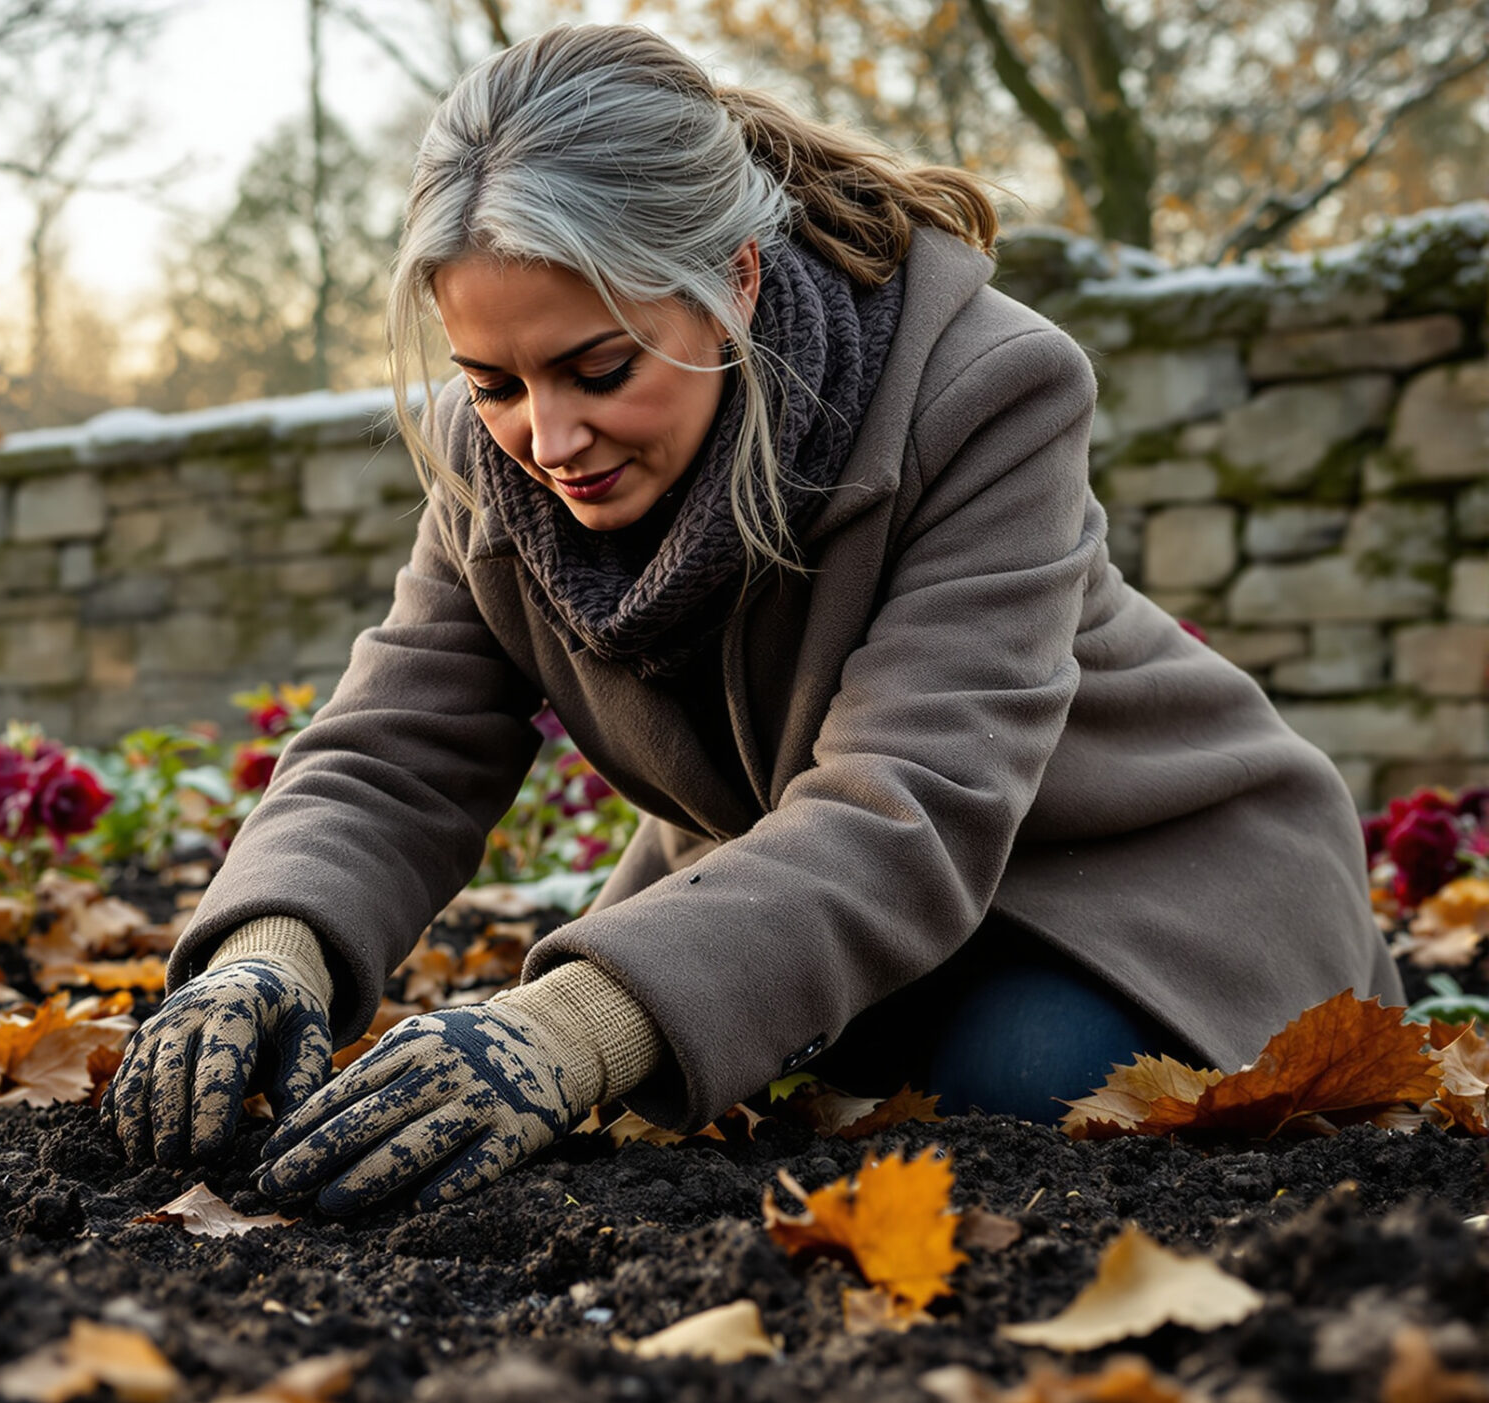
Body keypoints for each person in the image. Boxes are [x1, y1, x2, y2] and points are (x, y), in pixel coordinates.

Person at [105, 24, 1399, 1218]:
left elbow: (913, 803)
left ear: (731, 279)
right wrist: (267, 954)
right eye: (492, 381)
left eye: (600, 367)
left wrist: (574, 1028)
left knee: (1011, 1092)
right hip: (838, 921)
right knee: (784, 1110)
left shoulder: (984, 392)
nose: (547, 438)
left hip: (1145, 886)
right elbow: (396, 747)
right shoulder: (493, 459)